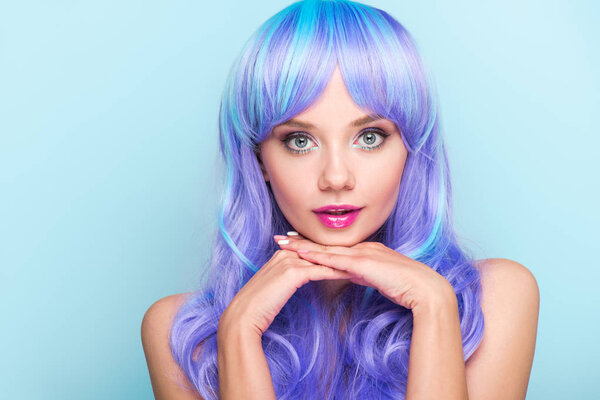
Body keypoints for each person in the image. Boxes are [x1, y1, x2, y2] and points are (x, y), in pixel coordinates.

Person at [141, 0, 540, 399]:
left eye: (370, 138)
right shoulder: (181, 334)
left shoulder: (492, 300)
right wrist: (238, 333)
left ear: (410, 148)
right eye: (299, 141)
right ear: (260, 157)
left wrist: (434, 308)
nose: (336, 178)